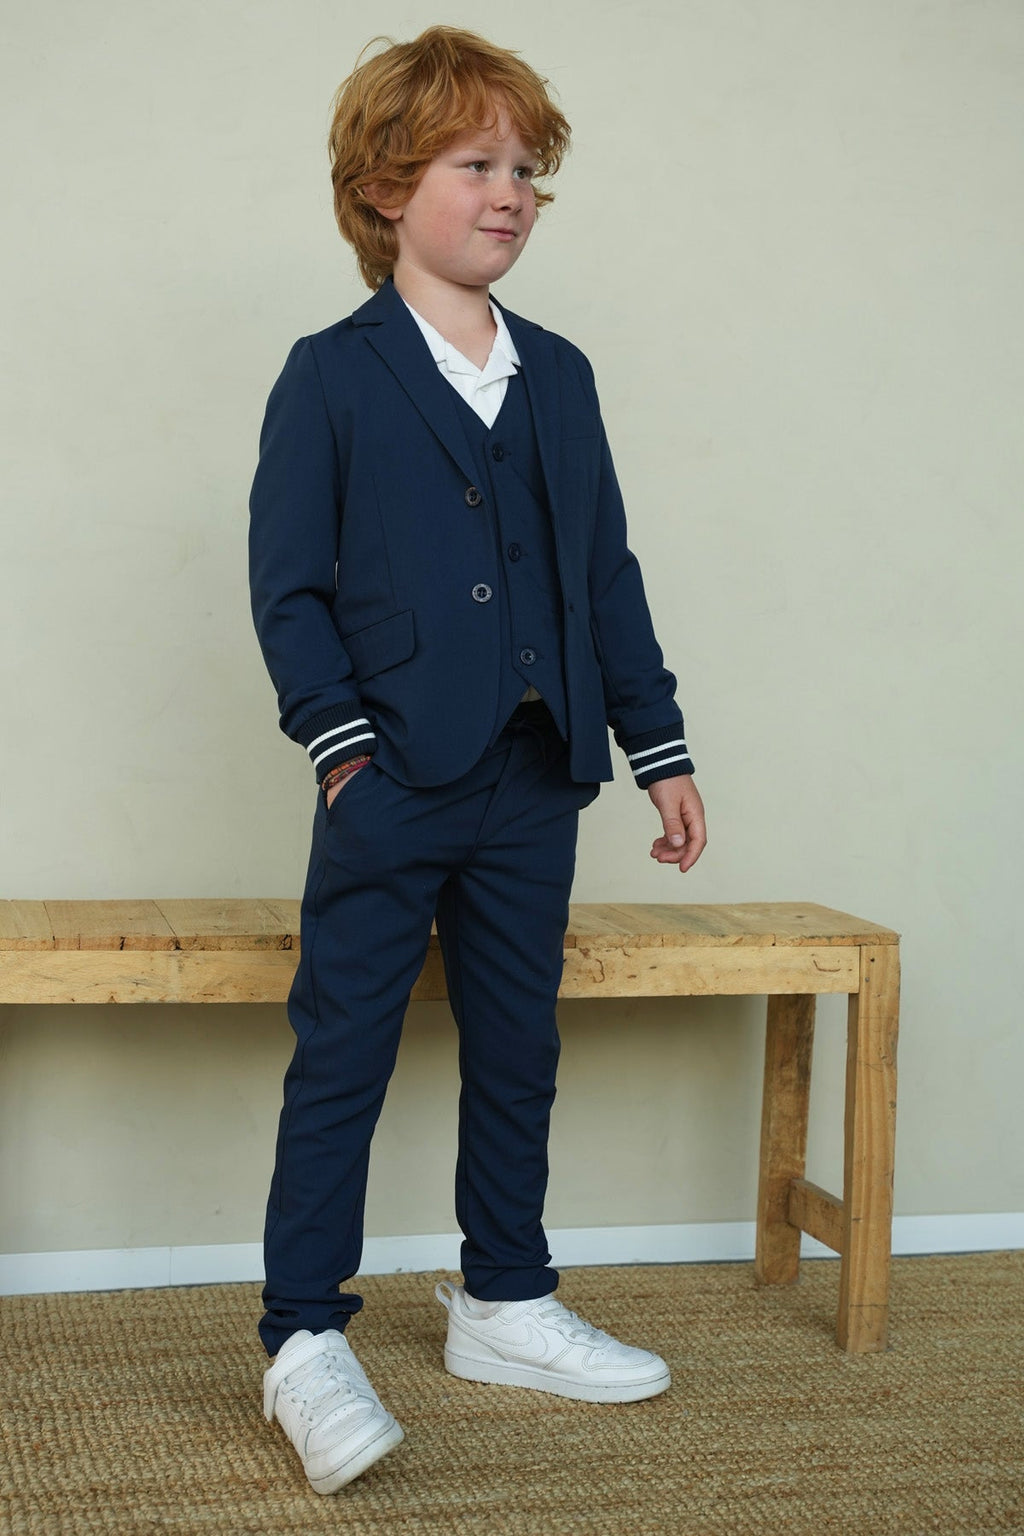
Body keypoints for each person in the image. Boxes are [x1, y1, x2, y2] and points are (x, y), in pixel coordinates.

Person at [248, 24, 707, 1496]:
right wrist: (342, 751)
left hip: (534, 776)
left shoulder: (559, 377)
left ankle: (505, 1299)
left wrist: (656, 744)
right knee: (346, 1052)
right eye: (474, 164)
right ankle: (302, 1336)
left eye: (525, 170)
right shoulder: (332, 375)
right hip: (391, 779)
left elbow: (605, 572)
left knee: (519, 1047)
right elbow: (287, 587)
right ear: (387, 188)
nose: (509, 192)